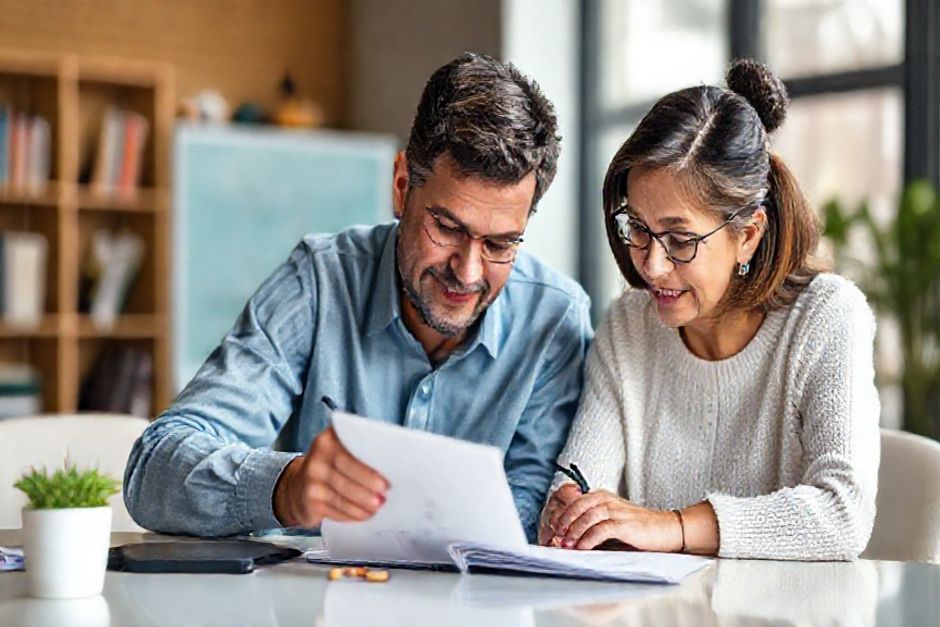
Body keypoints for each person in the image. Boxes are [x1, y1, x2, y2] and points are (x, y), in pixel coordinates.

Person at [125, 53, 592, 542]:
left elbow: (528, 515)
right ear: (401, 185)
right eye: (447, 228)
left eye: (500, 244)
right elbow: (153, 469)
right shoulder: (320, 281)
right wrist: (285, 487)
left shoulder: (556, 321)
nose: (468, 272)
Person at [539, 59, 879, 560]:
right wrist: (569, 507)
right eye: (638, 228)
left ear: (748, 235)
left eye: (679, 239)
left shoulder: (827, 318)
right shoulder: (630, 326)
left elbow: (842, 514)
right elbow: (581, 477)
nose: (652, 266)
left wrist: (673, 527)